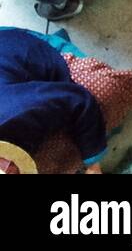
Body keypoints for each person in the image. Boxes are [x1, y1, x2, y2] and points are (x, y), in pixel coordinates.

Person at [0, 28, 109, 174]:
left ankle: (57, 42)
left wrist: (93, 165)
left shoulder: (16, 110)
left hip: (22, 49)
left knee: (106, 91)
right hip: (14, 84)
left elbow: (78, 100)